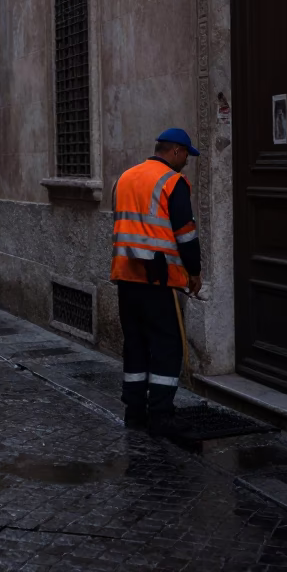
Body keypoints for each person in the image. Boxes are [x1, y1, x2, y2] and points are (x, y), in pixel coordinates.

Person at [111, 128, 204, 437]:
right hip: (158, 279)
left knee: (135, 344)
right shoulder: (172, 182)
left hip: (126, 275)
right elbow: (185, 234)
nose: (186, 163)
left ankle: (134, 411)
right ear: (175, 151)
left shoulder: (125, 178)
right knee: (167, 345)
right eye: (186, 156)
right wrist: (194, 271)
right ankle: (161, 415)